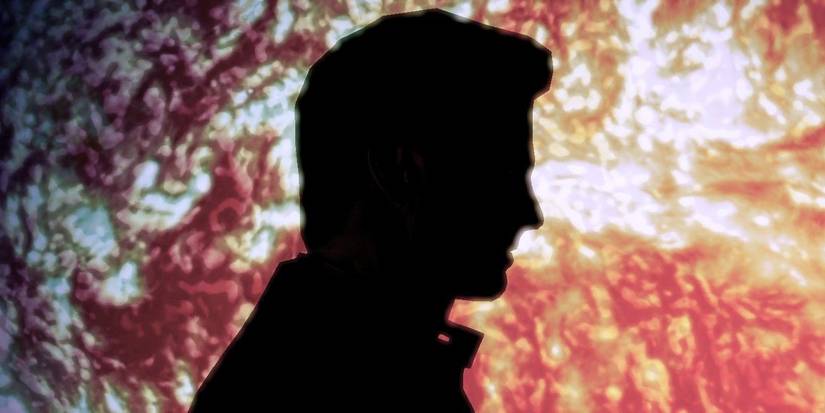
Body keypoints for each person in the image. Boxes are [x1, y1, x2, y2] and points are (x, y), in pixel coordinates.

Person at [189, 8, 552, 412]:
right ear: (401, 170)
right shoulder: (334, 387)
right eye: (501, 176)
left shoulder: (336, 366)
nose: (529, 214)